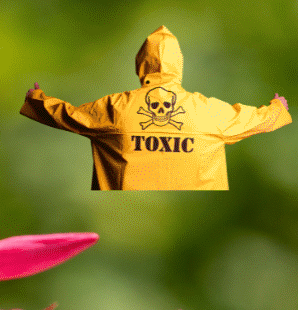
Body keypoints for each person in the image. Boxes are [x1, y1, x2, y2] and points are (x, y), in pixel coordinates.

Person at [20, 26, 290, 190]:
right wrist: (276, 108)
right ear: (179, 65)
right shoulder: (206, 110)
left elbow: (68, 116)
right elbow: (251, 120)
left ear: (141, 65)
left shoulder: (117, 106)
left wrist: (37, 99)